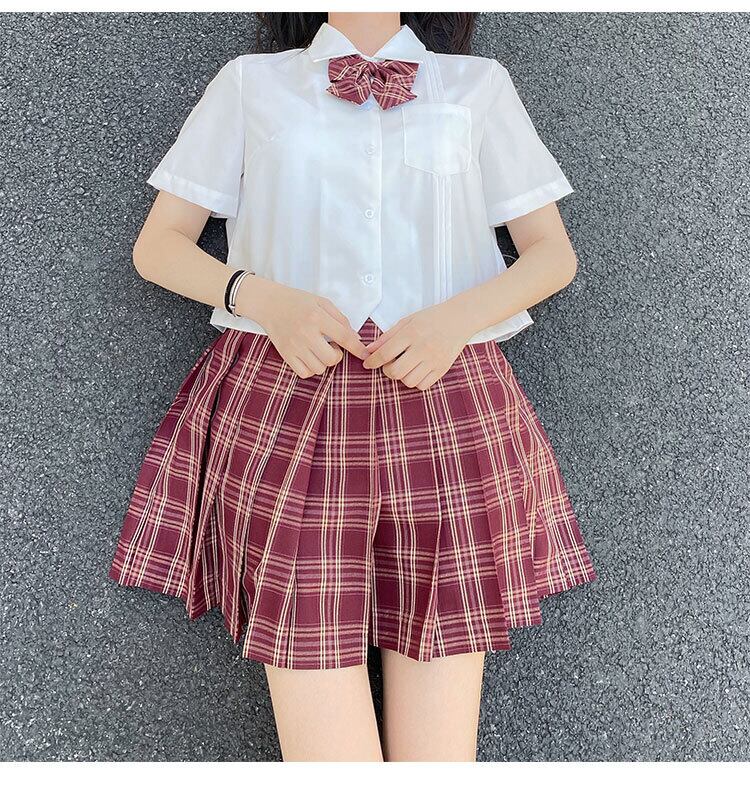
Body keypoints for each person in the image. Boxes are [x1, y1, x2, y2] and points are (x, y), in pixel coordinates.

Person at [108, 11, 598, 762]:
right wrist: (264, 299)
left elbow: (551, 255)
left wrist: (453, 321)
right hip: (288, 399)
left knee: (440, 755)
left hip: (446, 399)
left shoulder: (476, 87)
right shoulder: (252, 85)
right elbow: (157, 244)